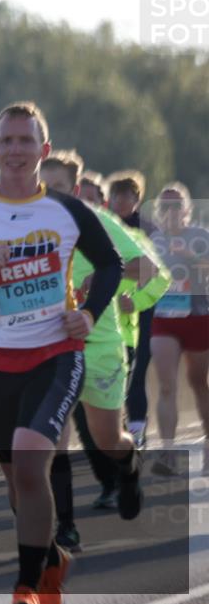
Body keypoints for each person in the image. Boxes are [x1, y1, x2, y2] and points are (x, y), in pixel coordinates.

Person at [0, 101, 126, 604]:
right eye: (7, 141)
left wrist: (91, 314)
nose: (16, 150)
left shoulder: (68, 210)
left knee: (34, 463)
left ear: (44, 150)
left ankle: (26, 588)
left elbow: (111, 263)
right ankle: (53, 562)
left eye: (25, 140)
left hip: (57, 355)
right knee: (18, 486)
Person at [40, 151, 161, 553]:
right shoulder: (25, 225)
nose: (48, 196)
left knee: (108, 437)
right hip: (51, 346)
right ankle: (66, 526)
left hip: (100, 343)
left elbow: (148, 269)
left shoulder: (97, 221)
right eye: (43, 187)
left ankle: (128, 469)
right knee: (51, 437)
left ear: (75, 190)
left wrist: (99, 275)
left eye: (57, 189)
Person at [148, 182, 209, 476]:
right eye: (165, 206)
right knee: (167, 385)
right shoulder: (152, 240)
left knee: (198, 383)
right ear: (158, 211)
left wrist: (191, 257)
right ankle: (168, 452)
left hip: (198, 317)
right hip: (164, 319)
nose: (171, 212)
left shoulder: (199, 236)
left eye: (176, 206)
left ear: (187, 209)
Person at [107, 171, 170, 451]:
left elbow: (161, 276)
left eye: (126, 196)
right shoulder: (102, 227)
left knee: (136, 371)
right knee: (111, 375)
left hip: (140, 313)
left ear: (137, 199)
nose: (120, 201)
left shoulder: (148, 231)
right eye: (116, 196)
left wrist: (138, 301)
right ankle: (114, 431)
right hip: (107, 314)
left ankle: (137, 430)